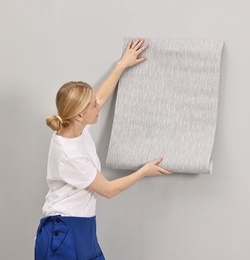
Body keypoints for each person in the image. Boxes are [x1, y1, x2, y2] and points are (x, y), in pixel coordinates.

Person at [34, 38, 173, 260]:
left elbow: (100, 96)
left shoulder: (76, 127)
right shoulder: (69, 154)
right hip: (64, 232)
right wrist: (142, 172)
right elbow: (108, 190)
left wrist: (122, 64)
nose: (98, 105)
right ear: (80, 114)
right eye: (93, 106)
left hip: (82, 228)